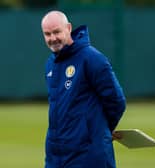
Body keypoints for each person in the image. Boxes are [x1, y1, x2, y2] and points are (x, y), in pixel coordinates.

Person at [41, 10, 126, 168]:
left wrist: (102, 129)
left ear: (68, 28)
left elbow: (117, 101)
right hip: (56, 156)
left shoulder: (92, 58)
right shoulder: (50, 64)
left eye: (57, 32)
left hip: (88, 154)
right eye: (47, 34)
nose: (52, 38)